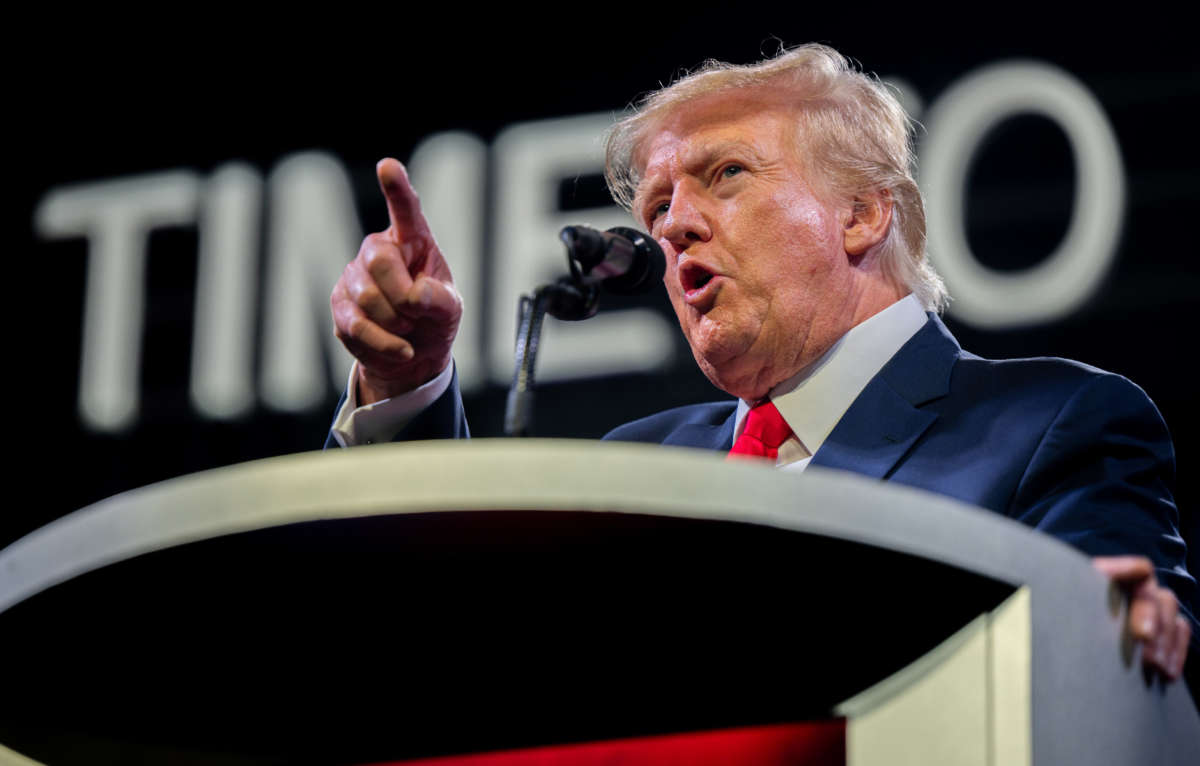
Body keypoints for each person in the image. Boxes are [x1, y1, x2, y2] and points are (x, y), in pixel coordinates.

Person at [327, 44, 1194, 682]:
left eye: (727, 175)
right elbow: (448, 639)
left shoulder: (1050, 425)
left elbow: (1123, 650)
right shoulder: (639, 465)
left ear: (861, 213)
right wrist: (407, 383)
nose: (672, 226)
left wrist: (1116, 631)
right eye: (660, 204)